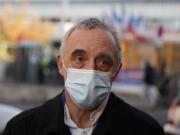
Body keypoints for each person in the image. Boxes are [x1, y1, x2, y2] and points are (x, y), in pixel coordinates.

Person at [2, 18, 164, 135]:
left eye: (103, 62)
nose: (91, 70)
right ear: (61, 65)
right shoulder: (23, 129)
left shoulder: (145, 130)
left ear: (116, 71)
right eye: (79, 59)